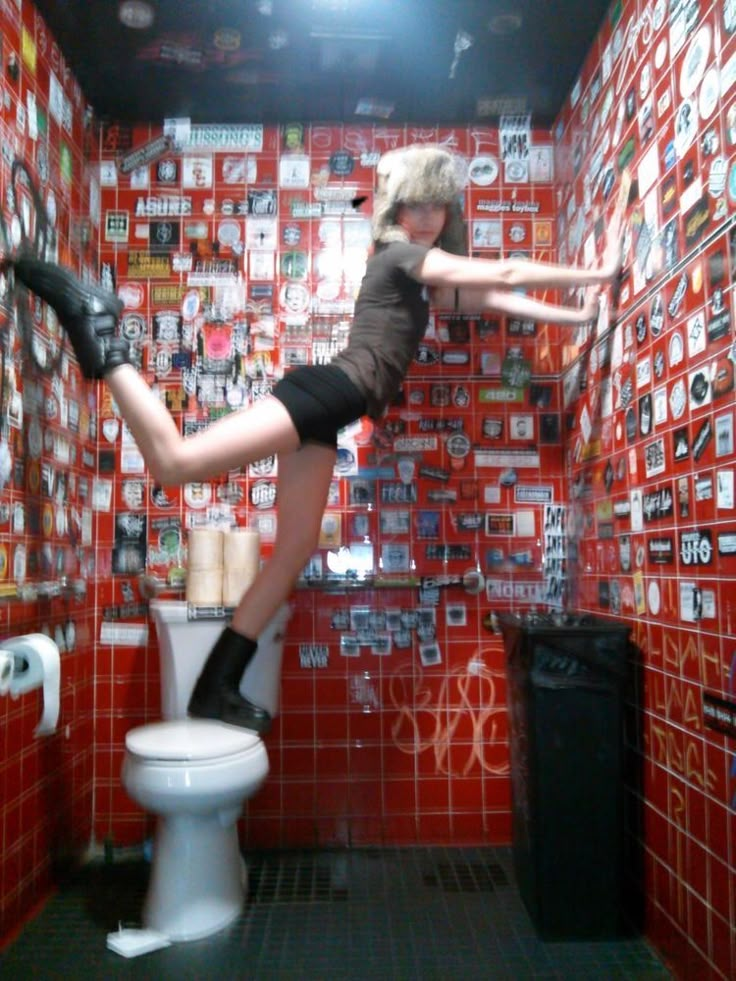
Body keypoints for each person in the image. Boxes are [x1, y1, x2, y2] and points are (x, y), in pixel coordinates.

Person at [6, 145, 628, 732]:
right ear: (395, 209)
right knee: (175, 465)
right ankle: (100, 330)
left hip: (334, 405)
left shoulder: (422, 275)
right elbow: (512, 267)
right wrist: (598, 274)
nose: (427, 217)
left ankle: (215, 685)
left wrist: (580, 316)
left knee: (298, 543)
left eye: (438, 205)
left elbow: (493, 295)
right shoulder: (398, 256)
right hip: (329, 391)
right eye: (416, 204)